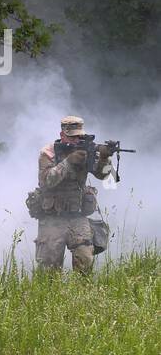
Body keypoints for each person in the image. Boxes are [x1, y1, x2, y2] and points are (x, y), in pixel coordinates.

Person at [32, 115, 116, 274]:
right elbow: (46, 181)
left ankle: (83, 295)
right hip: (52, 217)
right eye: (72, 137)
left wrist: (105, 157)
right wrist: (68, 162)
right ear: (62, 134)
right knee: (49, 268)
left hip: (77, 215)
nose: (76, 140)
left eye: (79, 136)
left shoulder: (86, 150)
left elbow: (104, 176)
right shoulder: (48, 153)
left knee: (85, 259)